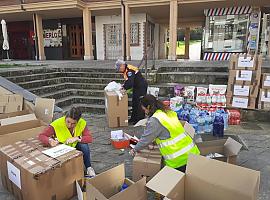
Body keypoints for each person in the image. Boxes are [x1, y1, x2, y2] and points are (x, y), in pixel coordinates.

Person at [129, 95, 200, 172]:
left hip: (179, 159)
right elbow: (167, 132)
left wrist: (135, 149)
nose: (145, 112)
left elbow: (145, 139)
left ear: (148, 107)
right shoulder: (166, 112)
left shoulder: (155, 120)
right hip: (192, 153)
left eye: (144, 109)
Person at [39, 107, 96, 177]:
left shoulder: (82, 123)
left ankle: (89, 168)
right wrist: (50, 141)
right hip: (62, 148)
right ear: (65, 117)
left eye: (73, 124)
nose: (69, 125)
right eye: (68, 122)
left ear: (77, 121)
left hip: (75, 145)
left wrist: (77, 138)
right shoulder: (56, 124)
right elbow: (41, 136)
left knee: (84, 145)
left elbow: (89, 138)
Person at [115, 59, 148, 124]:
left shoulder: (129, 70)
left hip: (141, 87)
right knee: (134, 102)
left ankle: (139, 119)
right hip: (136, 87)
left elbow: (130, 82)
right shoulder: (126, 70)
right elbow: (128, 81)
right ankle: (133, 118)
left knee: (139, 103)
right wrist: (123, 86)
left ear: (122, 66)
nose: (119, 71)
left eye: (119, 69)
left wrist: (124, 88)